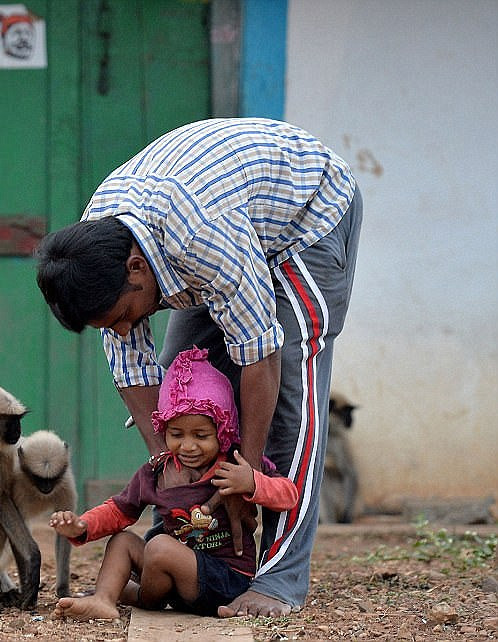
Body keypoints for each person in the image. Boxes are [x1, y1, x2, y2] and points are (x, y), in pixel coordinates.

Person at [35, 118, 362, 617]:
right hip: (221, 231)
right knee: (183, 387)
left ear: (136, 270)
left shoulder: (201, 237)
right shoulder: (98, 244)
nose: (123, 330)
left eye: (123, 316)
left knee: (292, 398)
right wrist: (169, 473)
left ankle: (278, 579)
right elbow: (132, 367)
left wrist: (243, 475)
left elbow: (261, 352)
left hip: (306, 218)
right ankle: (206, 552)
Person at [49, 348, 298, 619]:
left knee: (159, 545)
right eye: (176, 434)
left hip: (225, 579)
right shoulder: (158, 472)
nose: (188, 446)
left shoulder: (235, 464)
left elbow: (289, 496)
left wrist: (252, 482)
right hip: (169, 569)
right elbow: (119, 510)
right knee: (122, 541)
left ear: (222, 430)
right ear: (163, 429)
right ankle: (103, 599)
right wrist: (82, 525)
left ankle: (138, 595)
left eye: (201, 435)